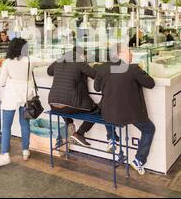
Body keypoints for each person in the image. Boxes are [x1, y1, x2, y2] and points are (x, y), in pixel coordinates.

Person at [94, 44, 156, 176]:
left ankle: (112, 137)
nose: (132, 54)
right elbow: (151, 83)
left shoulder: (102, 68)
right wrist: (142, 71)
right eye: (129, 51)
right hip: (130, 114)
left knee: (107, 111)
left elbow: (97, 88)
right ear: (120, 54)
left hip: (108, 114)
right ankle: (139, 159)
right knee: (149, 129)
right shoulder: (133, 68)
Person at [0, 38, 48, 168]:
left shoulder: (7, 62)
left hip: (11, 96)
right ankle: (25, 150)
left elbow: (0, 82)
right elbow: (48, 61)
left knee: (6, 126)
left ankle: (5, 155)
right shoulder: (30, 60)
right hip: (25, 96)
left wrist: (11, 80)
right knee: (25, 123)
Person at [47, 46, 97, 147]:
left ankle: (69, 123)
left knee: (62, 103)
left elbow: (49, 71)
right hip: (71, 105)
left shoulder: (59, 61)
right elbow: (95, 75)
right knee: (98, 110)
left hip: (53, 104)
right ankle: (79, 133)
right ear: (82, 55)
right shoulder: (80, 62)